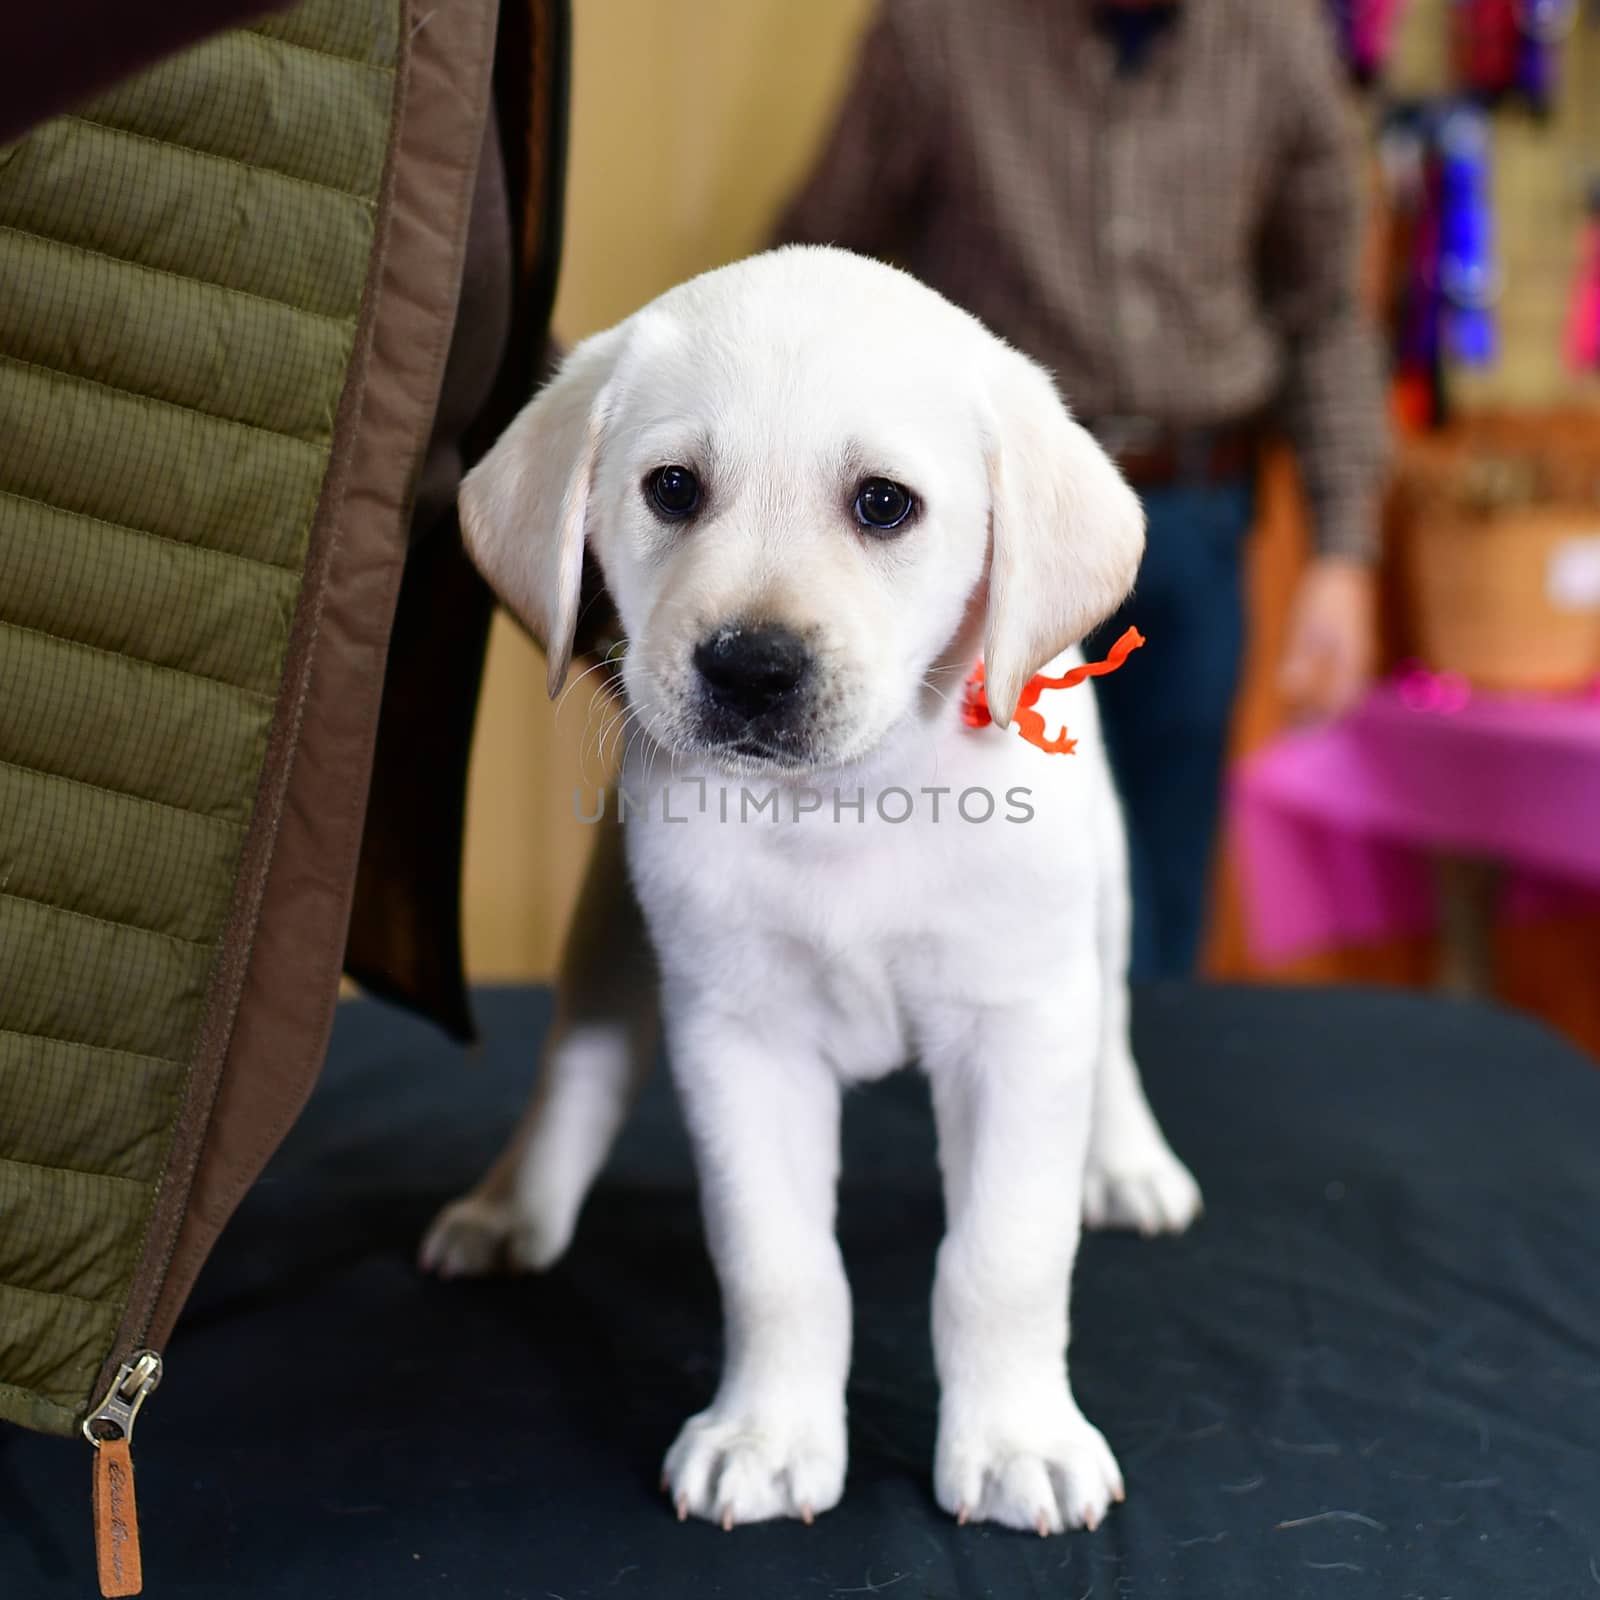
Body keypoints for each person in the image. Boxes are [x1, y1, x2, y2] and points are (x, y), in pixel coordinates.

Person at [777, 0, 1388, 978]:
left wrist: (1343, 553)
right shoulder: (936, 32)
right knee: (1011, 860)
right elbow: (816, 267)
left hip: (1190, 518)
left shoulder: (1276, 41)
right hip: (994, 539)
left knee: (1162, 876)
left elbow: (1323, 312)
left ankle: (1127, 1109)